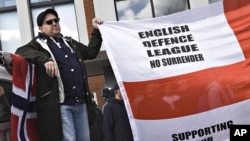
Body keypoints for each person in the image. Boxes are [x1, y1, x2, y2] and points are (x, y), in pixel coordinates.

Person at [15, 8, 103, 141]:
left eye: (56, 20)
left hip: (81, 102)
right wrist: (44, 59)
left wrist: (96, 30)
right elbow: (21, 51)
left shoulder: (70, 43)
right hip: (61, 105)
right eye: (49, 22)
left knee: (85, 138)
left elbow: (91, 52)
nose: (54, 23)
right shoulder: (38, 45)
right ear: (41, 28)